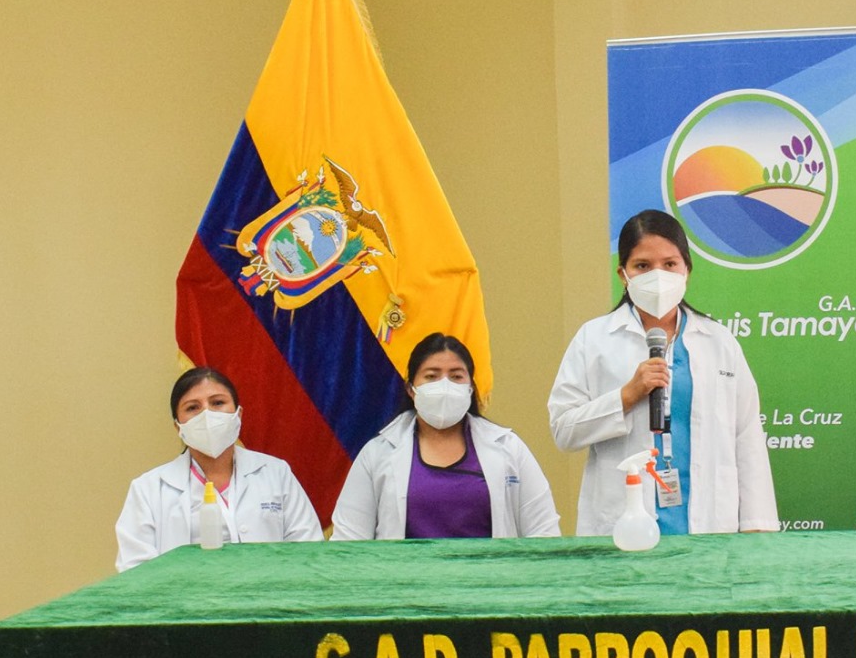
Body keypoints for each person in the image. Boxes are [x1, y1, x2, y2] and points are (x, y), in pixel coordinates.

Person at [549, 209, 777, 536]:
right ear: (623, 274)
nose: (658, 276)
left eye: (670, 264)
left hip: (709, 528)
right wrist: (625, 397)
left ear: (687, 270)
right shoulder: (594, 338)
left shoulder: (718, 341)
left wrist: (758, 525)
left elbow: (747, 438)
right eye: (643, 266)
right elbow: (563, 430)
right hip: (622, 526)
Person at [331, 333, 560, 540]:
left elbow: (544, 533)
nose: (444, 386)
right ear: (411, 389)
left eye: (456, 376)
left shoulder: (509, 448)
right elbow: (349, 543)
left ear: (470, 388)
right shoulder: (377, 453)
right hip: (405, 574)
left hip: (490, 574)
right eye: (431, 376)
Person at [115, 367, 324, 570]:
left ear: (238, 415)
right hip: (186, 594)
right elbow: (136, 570)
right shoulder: (148, 489)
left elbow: (309, 551)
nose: (207, 414)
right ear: (178, 426)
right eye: (192, 407)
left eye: (217, 403)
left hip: (270, 591)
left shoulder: (275, 473)